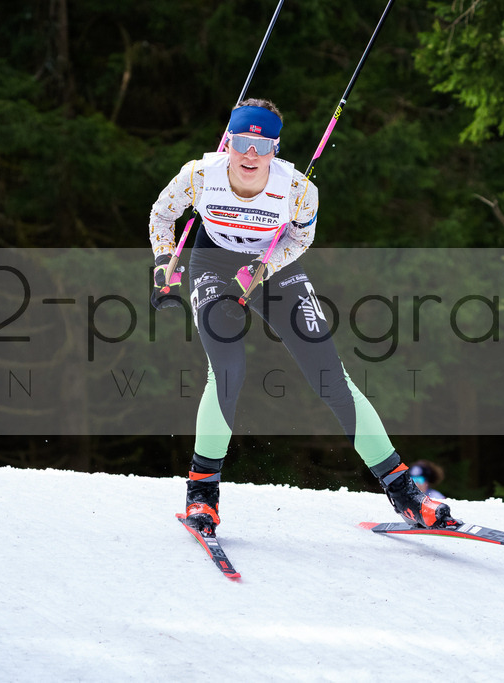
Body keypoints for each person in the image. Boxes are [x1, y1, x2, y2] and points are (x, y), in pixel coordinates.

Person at [148, 98, 457, 535]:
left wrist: (263, 268)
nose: (250, 155)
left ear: (275, 148)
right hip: (213, 265)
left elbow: (300, 239)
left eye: (262, 145)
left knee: (331, 377)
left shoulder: (298, 188)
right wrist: (164, 258)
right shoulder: (199, 175)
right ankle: (203, 496)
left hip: (275, 265)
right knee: (228, 371)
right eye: (241, 142)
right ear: (229, 143)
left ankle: (406, 494)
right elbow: (163, 214)